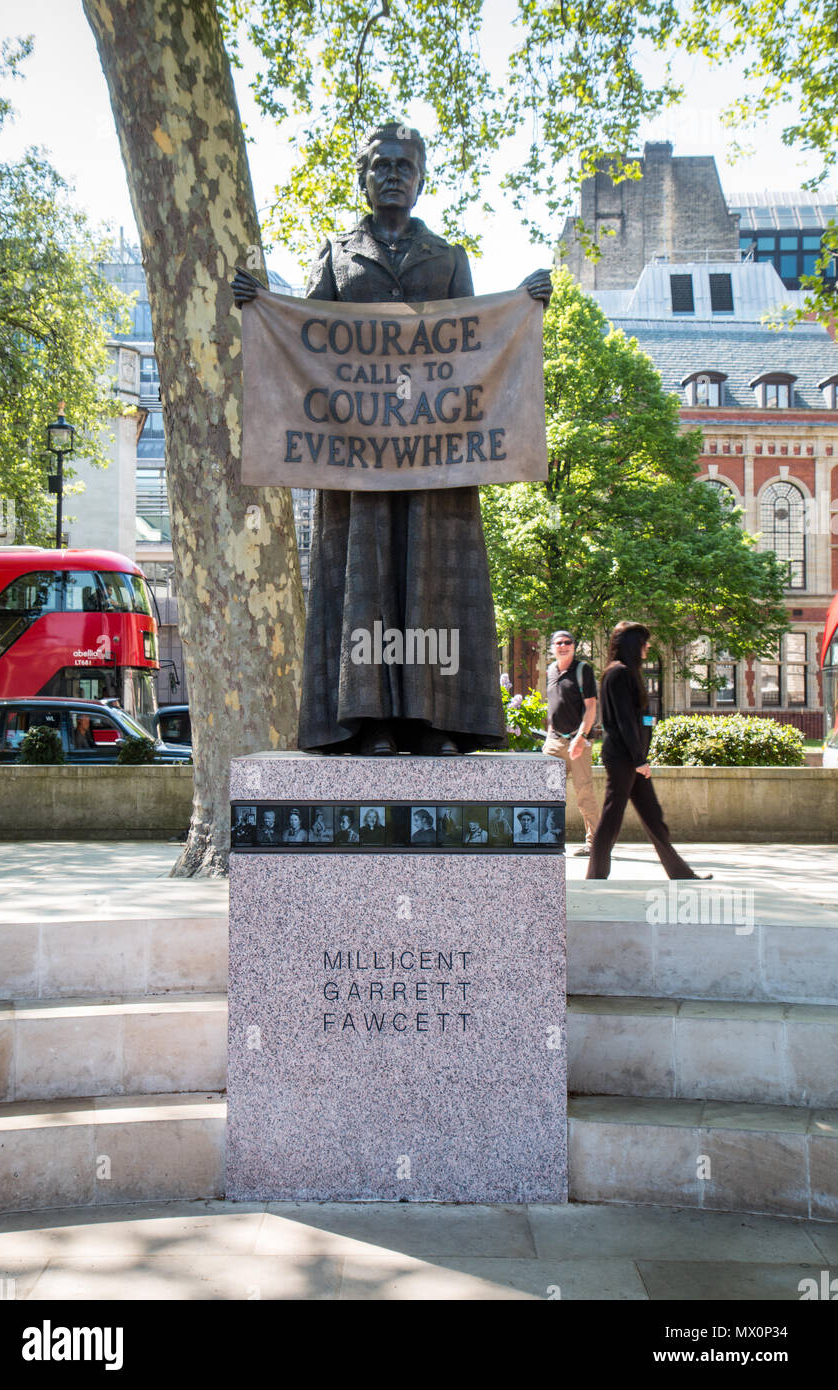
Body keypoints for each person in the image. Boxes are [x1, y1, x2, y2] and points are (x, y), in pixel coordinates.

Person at [232, 120, 550, 757]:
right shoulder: (335, 255)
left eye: (404, 165)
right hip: (359, 464)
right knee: (366, 582)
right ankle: (369, 719)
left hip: (437, 461)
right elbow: (307, 341)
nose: (393, 175)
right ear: (364, 176)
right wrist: (265, 305)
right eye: (381, 165)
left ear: (421, 176)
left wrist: (521, 302)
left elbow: (475, 342)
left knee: (433, 581)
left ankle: (434, 722)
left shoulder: (449, 258)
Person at [586, 622, 712, 881]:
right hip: (624, 757)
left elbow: (635, 720)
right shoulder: (618, 673)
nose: (649, 646)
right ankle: (595, 876)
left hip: (630, 756)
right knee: (612, 816)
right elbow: (624, 722)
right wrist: (638, 760)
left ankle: (681, 874)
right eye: (644, 642)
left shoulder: (626, 673)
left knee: (653, 816)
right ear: (634, 645)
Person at [542, 630, 600, 856]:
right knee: (548, 791)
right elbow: (554, 706)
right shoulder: (550, 671)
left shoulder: (582, 670)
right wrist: (549, 735)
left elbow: (591, 707)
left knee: (584, 792)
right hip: (555, 742)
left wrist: (581, 737)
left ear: (574, 646)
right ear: (552, 647)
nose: (563, 646)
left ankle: (595, 844)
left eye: (568, 642)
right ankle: (548, 838)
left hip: (579, 742)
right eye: (559, 643)